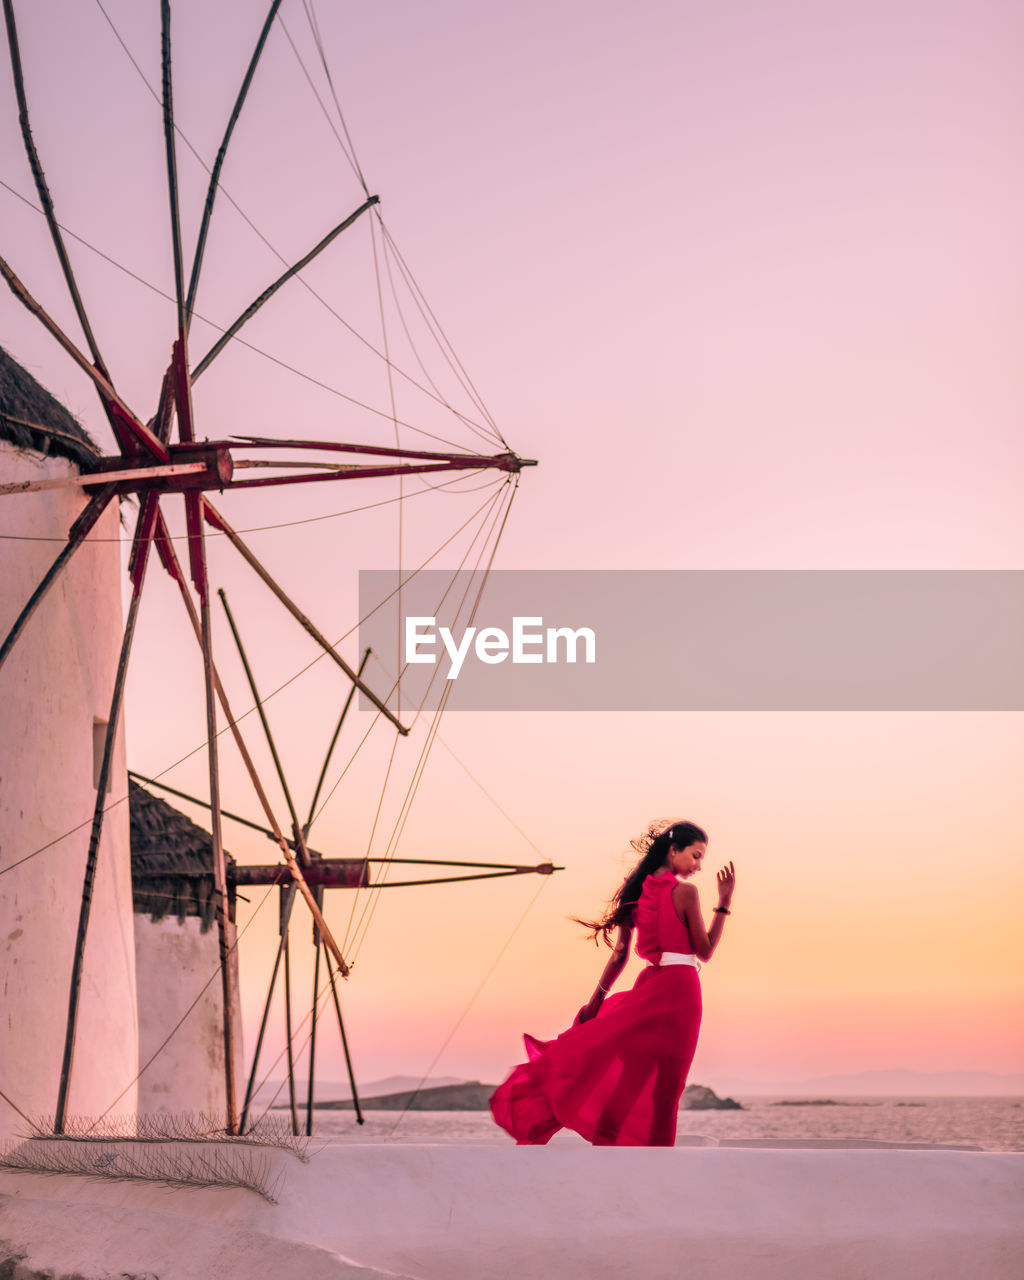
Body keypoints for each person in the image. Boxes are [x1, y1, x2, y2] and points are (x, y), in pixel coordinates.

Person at [489, 819, 735, 1146]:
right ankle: (660, 1168)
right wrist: (724, 903)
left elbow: (619, 955)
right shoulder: (686, 893)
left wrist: (595, 1003)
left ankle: (605, 1150)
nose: (699, 865)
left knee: (630, 1083)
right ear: (674, 851)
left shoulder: (636, 894)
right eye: (695, 855)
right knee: (667, 1089)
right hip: (681, 993)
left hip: (649, 989)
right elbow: (704, 951)